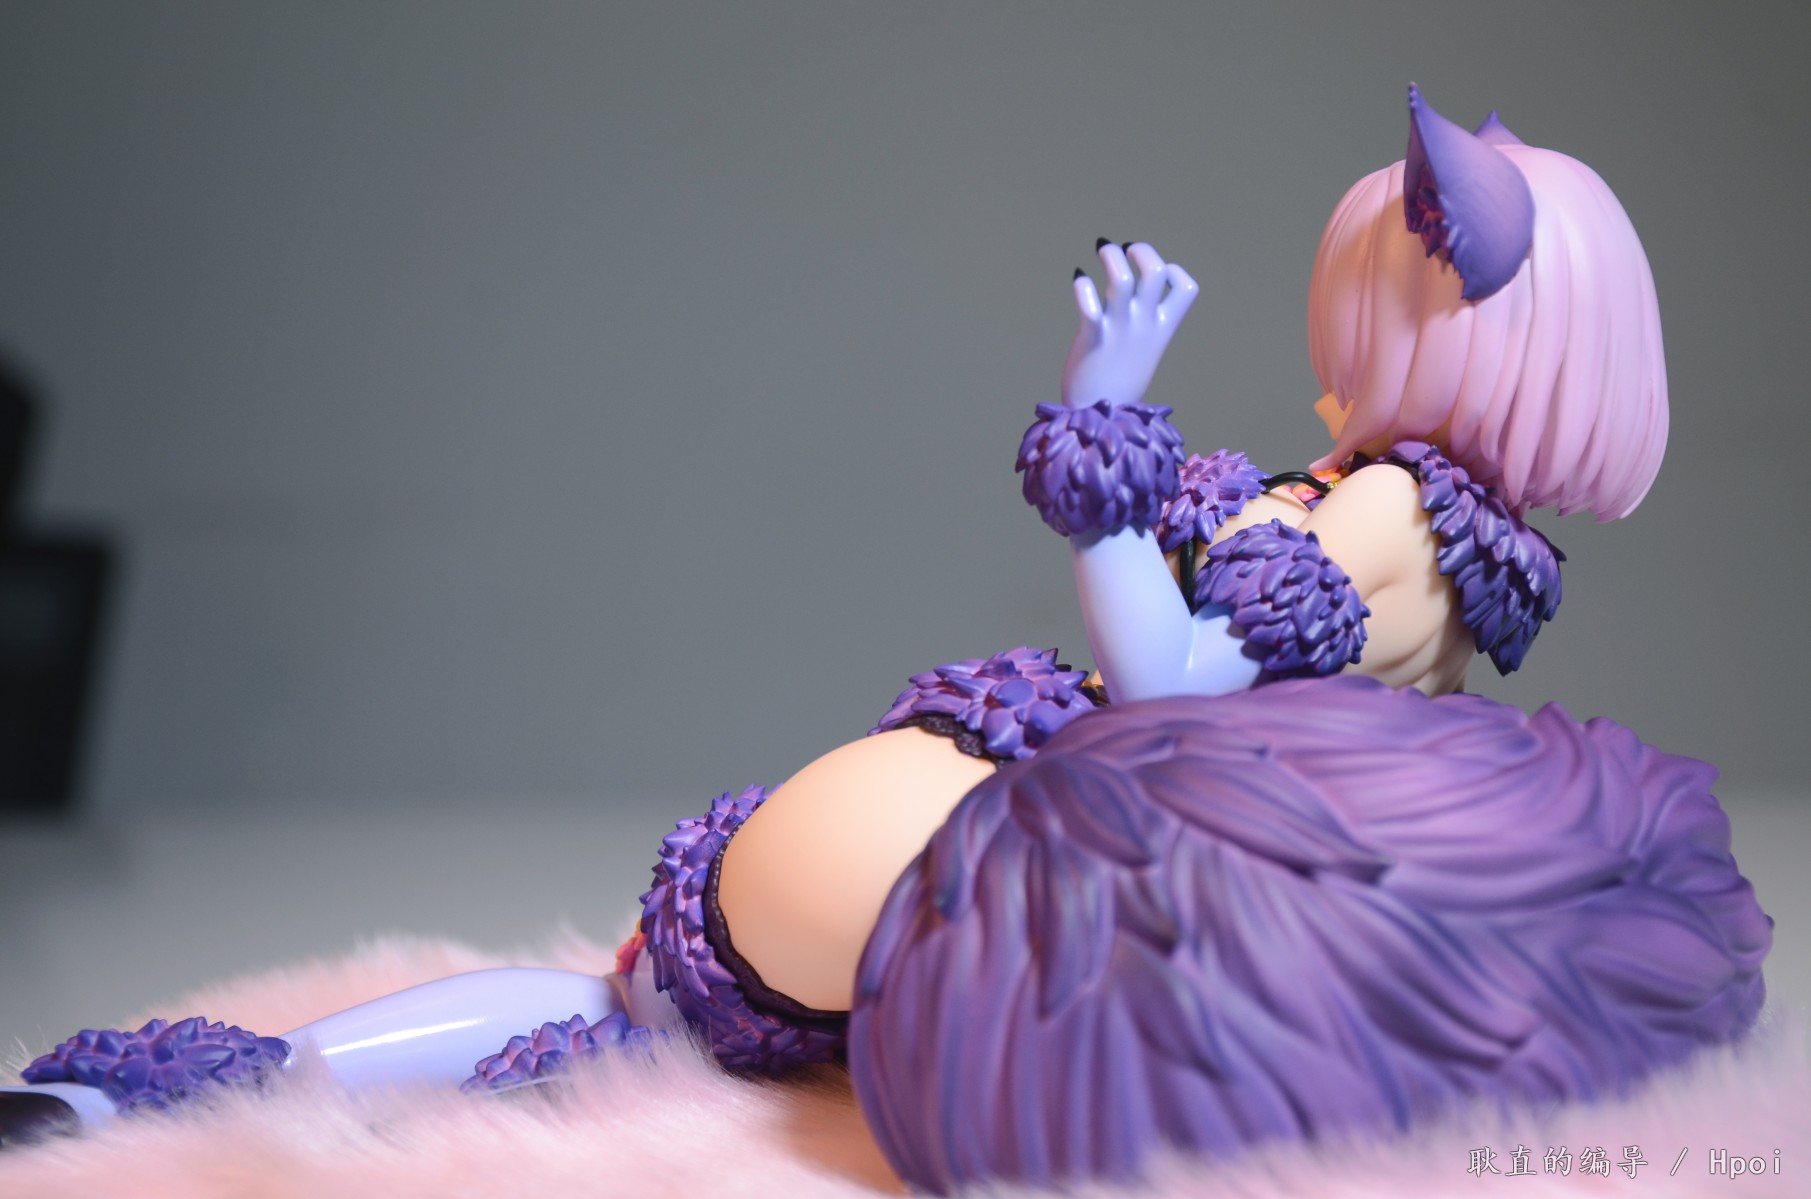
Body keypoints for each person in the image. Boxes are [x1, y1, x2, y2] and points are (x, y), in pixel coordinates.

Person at [1, 88, 1766, 1172]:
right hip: (985, 862)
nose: (1329, 358)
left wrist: (1106, 436)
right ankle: (208, 1101)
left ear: (1461, 311)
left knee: (627, 1007)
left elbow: (1166, 683)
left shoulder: (1388, 521)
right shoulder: (1436, 535)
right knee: (626, 1019)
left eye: (1363, 308)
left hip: (978, 857)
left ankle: (206, 1102)